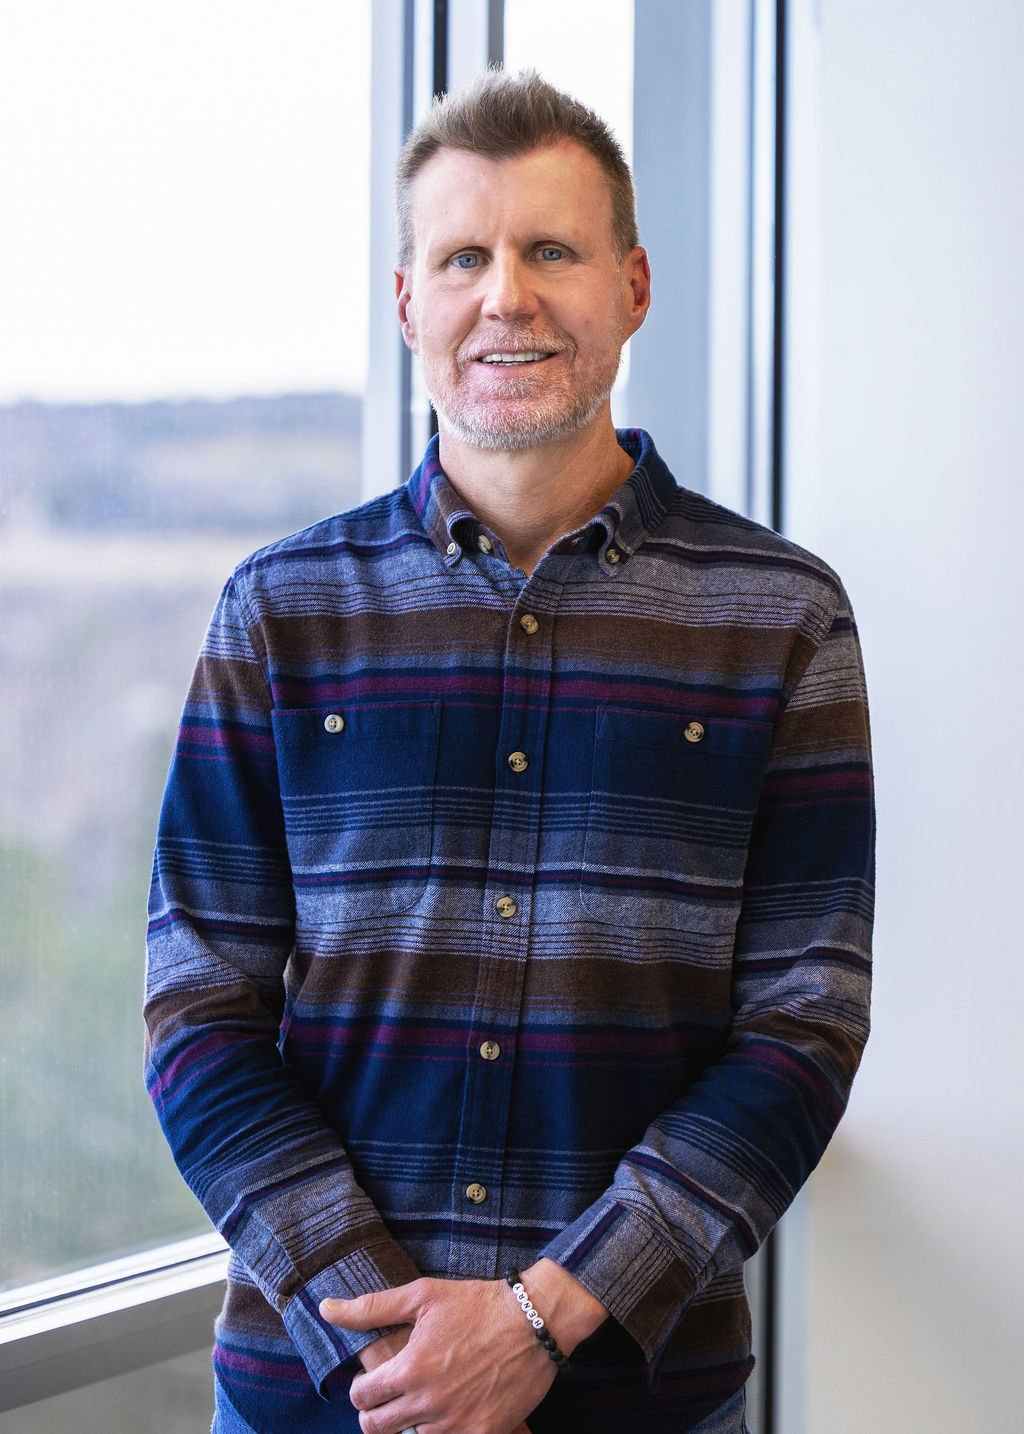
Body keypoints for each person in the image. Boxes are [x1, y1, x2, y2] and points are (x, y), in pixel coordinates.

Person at [145, 69, 873, 1434]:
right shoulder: (281, 610)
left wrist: (546, 1311)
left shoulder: (782, 617)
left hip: (638, 1395)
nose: (507, 295)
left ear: (634, 286)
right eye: (463, 256)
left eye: (552, 249)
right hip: (325, 1390)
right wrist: (398, 1329)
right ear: (408, 299)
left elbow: (805, 1022)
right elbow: (198, 1010)